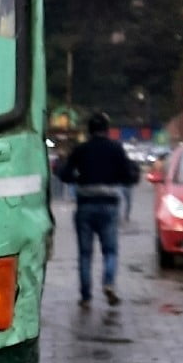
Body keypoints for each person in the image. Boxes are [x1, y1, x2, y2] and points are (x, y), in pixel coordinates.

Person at [57, 111, 139, 307]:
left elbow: (65, 175)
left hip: (85, 206)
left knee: (85, 254)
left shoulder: (81, 149)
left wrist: (78, 179)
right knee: (110, 251)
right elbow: (128, 176)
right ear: (107, 129)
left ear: (89, 130)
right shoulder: (116, 149)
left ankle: (85, 297)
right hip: (109, 206)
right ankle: (109, 283)